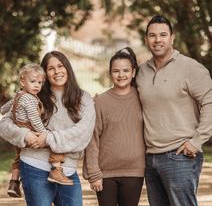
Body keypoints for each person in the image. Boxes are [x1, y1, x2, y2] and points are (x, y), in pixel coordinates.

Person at [0, 51, 95, 206]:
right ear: (44, 74)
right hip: (34, 166)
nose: (57, 71)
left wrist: (49, 138)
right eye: (51, 68)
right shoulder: (32, 96)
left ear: (68, 68)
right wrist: (24, 135)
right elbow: (4, 124)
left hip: (68, 171)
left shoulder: (83, 98)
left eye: (60, 66)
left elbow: (84, 132)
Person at [136, 15, 212, 206]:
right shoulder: (142, 71)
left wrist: (197, 141)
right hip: (150, 158)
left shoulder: (191, 68)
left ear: (172, 38)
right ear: (146, 40)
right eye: (152, 35)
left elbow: (210, 103)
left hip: (181, 156)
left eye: (163, 34)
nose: (157, 40)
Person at [0, 63, 74, 198]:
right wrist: (45, 134)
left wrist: (2, 110)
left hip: (19, 131)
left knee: (17, 157)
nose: (36, 85)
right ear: (22, 81)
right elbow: (34, 119)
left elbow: (9, 105)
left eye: (40, 82)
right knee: (56, 143)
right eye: (32, 81)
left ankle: (14, 183)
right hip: (29, 129)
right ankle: (56, 170)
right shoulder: (29, 99)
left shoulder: (19, 94)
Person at [83, 47, 145, 206]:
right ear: (110, 73)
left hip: (134, 171)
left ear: (133, 72)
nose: (121, 75)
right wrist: (94, 173)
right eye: (116, 71)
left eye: (126, 70)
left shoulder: (143, 98)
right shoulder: (100, 102)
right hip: (105, 173)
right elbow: (92, 139)